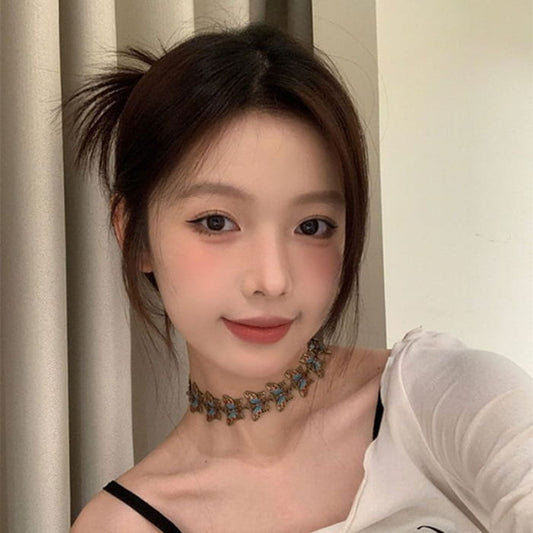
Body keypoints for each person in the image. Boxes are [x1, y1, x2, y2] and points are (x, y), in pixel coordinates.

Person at [68, 22, 532, 533]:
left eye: (311, 226)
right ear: (133, 233)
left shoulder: (443, 398)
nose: (272, 281)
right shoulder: (124, 523)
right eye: (216, 222)